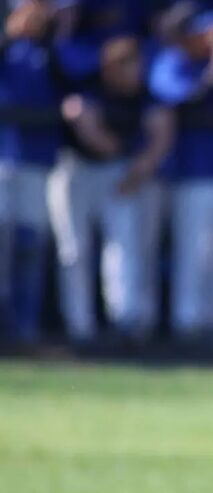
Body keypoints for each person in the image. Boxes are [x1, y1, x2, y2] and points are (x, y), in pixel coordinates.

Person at [47, 33, 174, 341]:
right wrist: (118, 151)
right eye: (128, 67)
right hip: (76, 169)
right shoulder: (89, 85)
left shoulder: (144, 94)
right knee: (74, 250)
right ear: (110, 68)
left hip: (119, 173)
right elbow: (86, 127)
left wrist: (138, 168)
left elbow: (162, 130)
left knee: (123, 247)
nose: (136, 73)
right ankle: (80, 326)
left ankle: (124, 322)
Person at [149, 9, 213, 340]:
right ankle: (186, 324)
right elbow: (186, 100)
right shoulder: (170, 62)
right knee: (193, 253)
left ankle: (211, 322)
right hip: (190, 174)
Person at [0, 0, 61, 342]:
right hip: (2, 157)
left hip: (36, 161)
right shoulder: (8, 49)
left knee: (30, 244)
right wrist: (11, 34)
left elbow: (70, 77)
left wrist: (51, 32)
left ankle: (24, 328)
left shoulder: (49, 50)